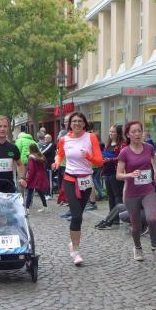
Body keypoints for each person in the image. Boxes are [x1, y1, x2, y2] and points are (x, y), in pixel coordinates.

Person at [52, 112, 103, 266]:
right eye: (74, 121)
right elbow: (60, 155)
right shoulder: (64, 139)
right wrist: (56, 162)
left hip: (86, 180)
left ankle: (73, 244)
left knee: (79, 215)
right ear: (70, 124)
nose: (77, 123)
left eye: (80, 121)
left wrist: (88, 156)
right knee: (76, 216)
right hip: (70, 179)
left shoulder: (91, 137)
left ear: (84, 123)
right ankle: (75, 251)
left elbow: (100, 162)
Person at [117, 121, 156, 262]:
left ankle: (155, 249)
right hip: (131, 193)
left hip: (147, 190)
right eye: (134, 132)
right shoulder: (124, 152)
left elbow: (154, 162)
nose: (137, 134)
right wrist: (130, 175)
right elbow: (118, 175)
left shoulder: (149, 148)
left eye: (139, 131)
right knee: (136, 225)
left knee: (151, 218)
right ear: (128, 135)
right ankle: (137, 248)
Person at [101, 124, 125, 213]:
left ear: (118, 133)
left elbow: (123, 157)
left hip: (116, 172)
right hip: (107, 171)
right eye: (110, 131)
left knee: (117, 195)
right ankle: (111, 215)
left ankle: (118, 215)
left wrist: (110, 159)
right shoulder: (108, 144)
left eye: (113, 132)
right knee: (110, 195)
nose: (111, 133)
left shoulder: (122, 144)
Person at [25, 143, 49, 212]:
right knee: (40, 192)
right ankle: (45, 207)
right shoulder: (41, 156)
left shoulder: (31, 157)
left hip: (34, 177)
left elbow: (31, 170)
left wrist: (28, 180)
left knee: (30, 192)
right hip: (41, 176)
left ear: (30, 149)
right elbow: (44, 167)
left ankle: (26, 209)